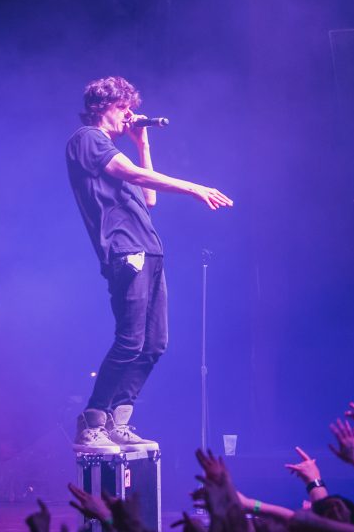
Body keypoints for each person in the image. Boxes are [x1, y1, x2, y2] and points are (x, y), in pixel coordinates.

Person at [66, 76, 232, 453]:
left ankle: (118, 422)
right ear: (101, 106)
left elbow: (149, 197)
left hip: (150, 248)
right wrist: (194, 187)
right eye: (123, 106)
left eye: (130, 106)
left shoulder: (115, 147)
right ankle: (92, 420)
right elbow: (133, 175)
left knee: (155, 343)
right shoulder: (87, 139)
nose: (130, 113)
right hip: (126, 250)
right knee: (130, 339)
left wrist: (142, 144)